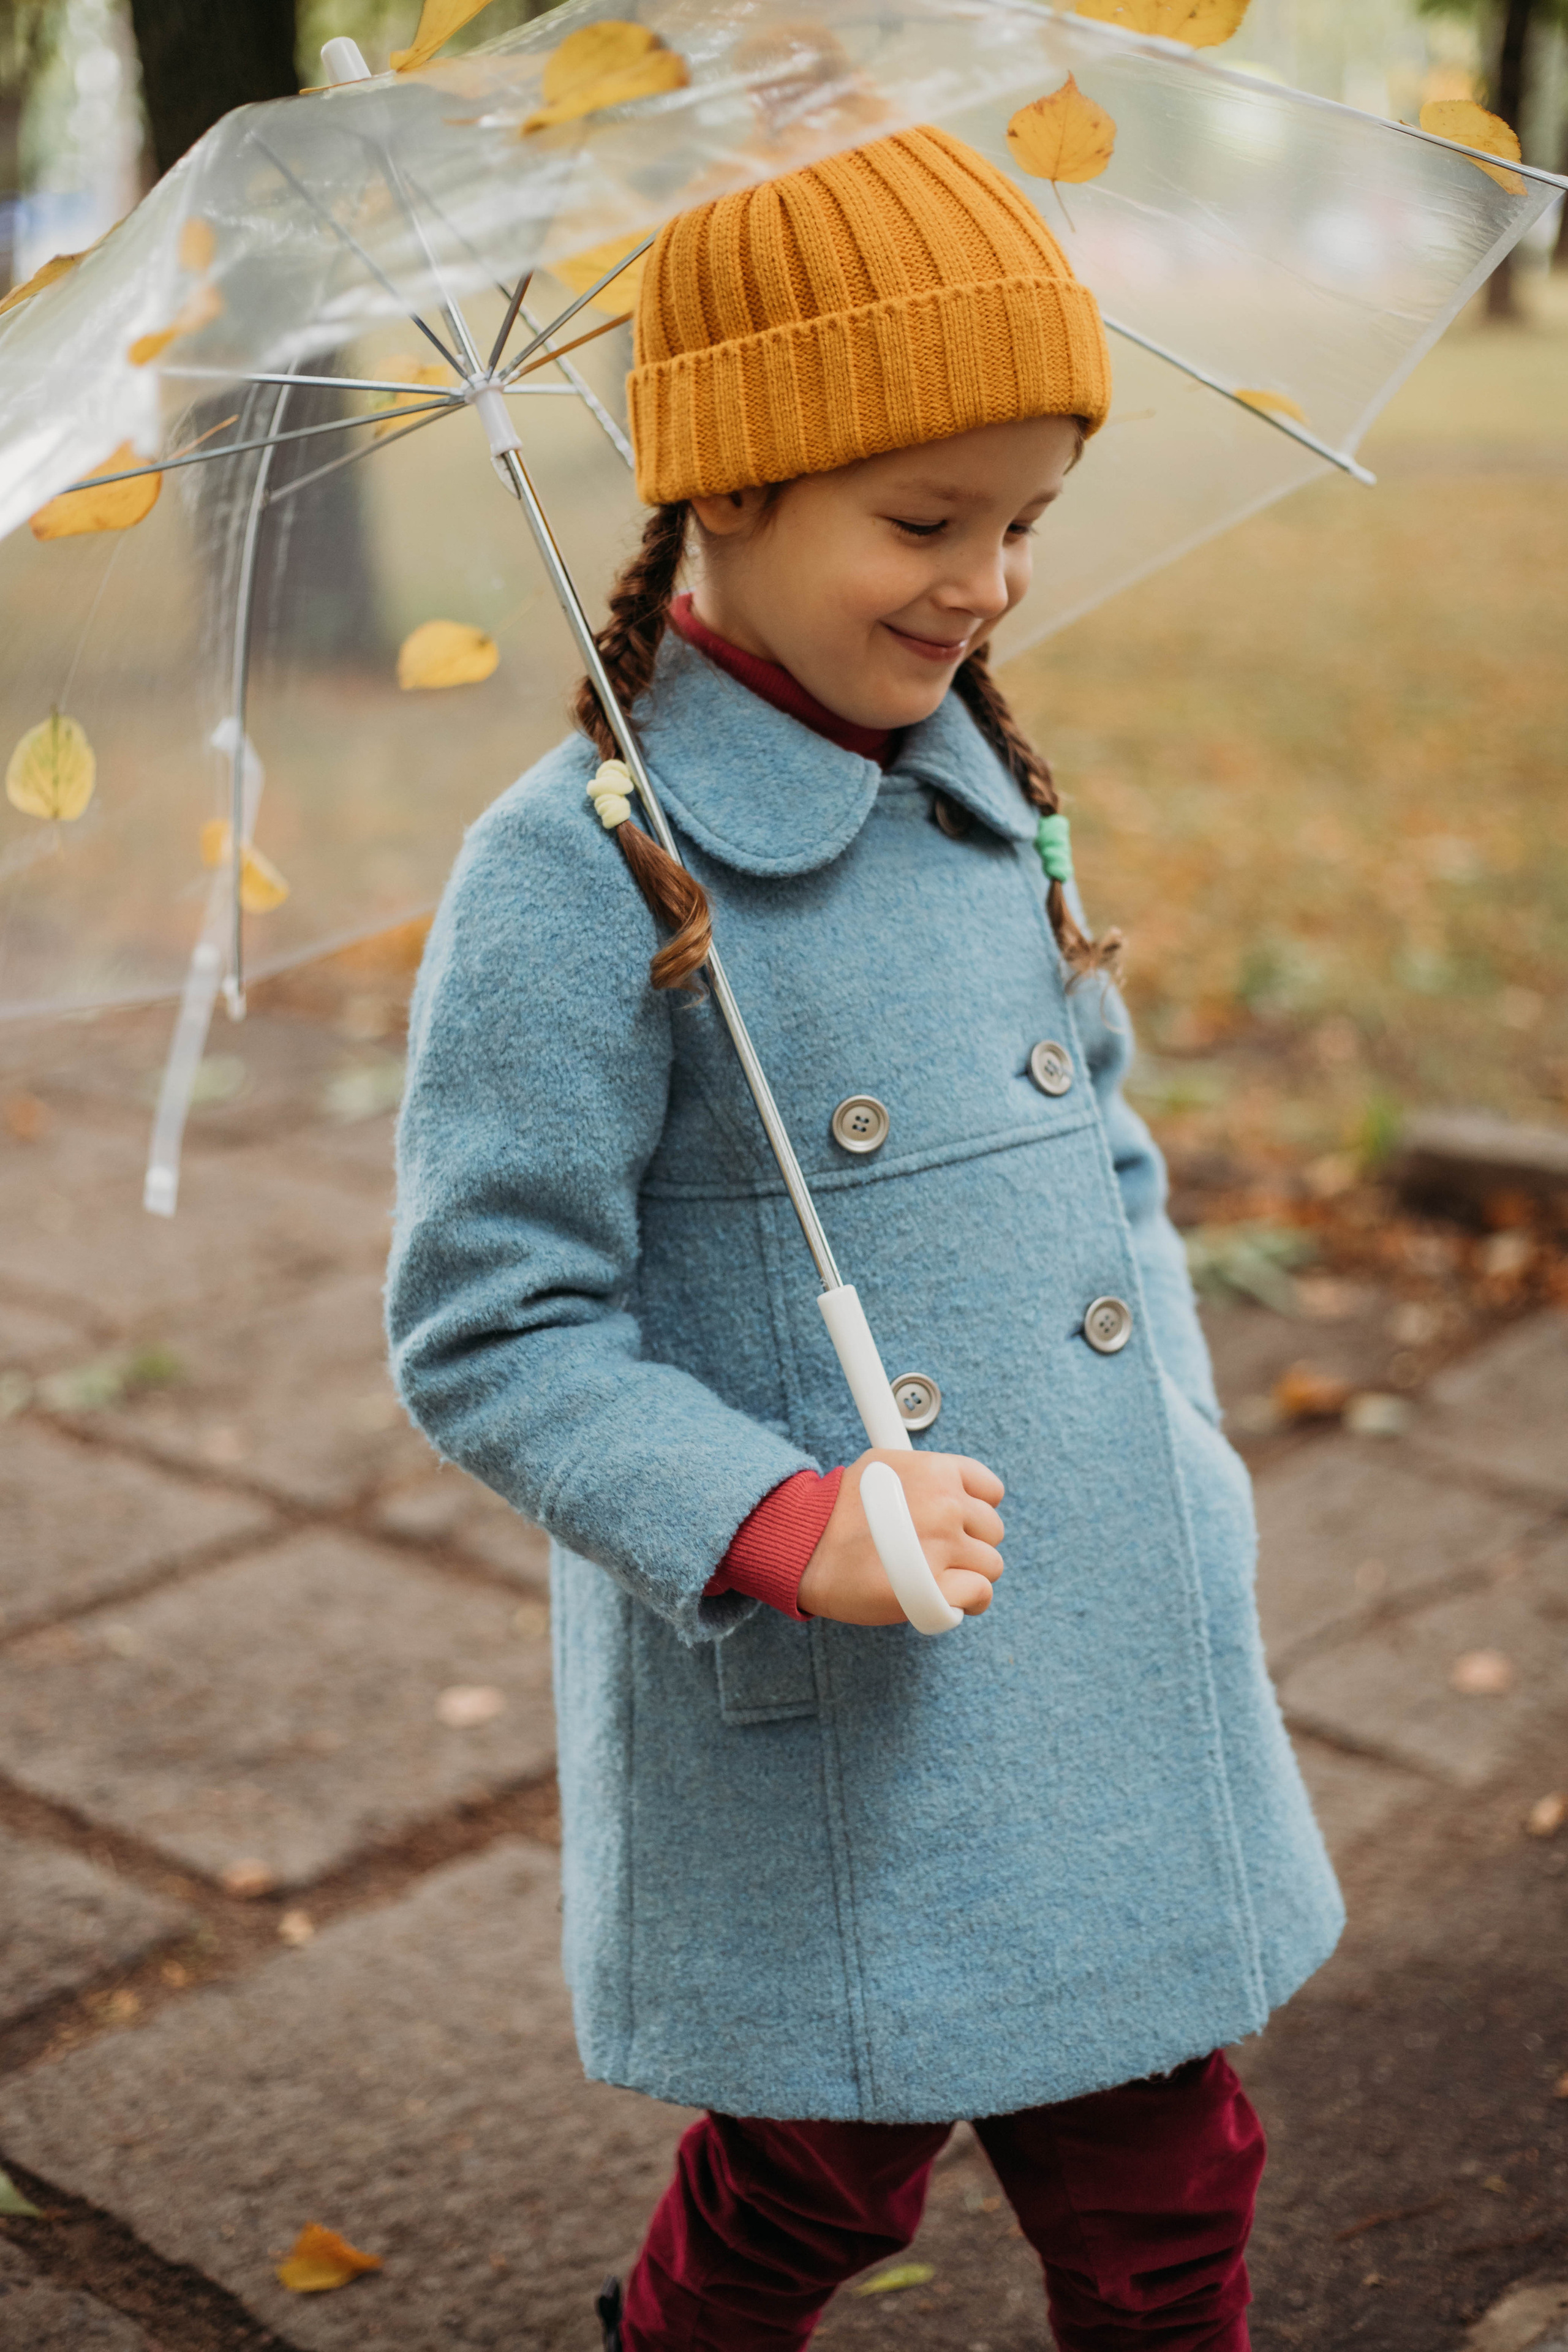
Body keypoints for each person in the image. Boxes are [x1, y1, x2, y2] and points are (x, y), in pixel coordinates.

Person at [386, 123, 1343, 2352]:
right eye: (924, 523)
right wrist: (779, 1512)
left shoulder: (976, 781)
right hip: (852, 1688)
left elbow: (1107, 1155)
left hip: (1095, 1622)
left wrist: (1176, 1456)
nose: (986, 581)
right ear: (727, 485)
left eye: (1023, 522)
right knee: (815, 2179)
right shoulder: (576, 877)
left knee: (1174, 2183)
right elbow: (488, 1329)